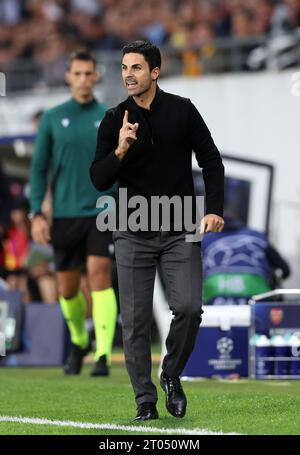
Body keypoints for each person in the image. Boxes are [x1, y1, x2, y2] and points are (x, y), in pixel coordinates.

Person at [90, 41, 224, 420]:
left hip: (181, 227)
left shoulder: (183, 110)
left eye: (135, 67)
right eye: (123, 67)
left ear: (155, 71)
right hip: (131, 230)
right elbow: (98, 179)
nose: (127, 74)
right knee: (134, 323)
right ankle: (144, 402)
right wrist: (120, 149)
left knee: (189, 308)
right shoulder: (114, 118)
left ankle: (170, 374)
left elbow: (212, 161)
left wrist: (214, 209)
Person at [30, 49, 117, 377]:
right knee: (67, 288)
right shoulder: (53, 118)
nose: (83, 80)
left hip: (101, 208)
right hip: (64, 213)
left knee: (98, 272)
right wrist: (36, 213)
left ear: (96, 77)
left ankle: (104, 353)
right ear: (68, 76)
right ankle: (80, 341)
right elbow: (39, 169)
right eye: (77, 74)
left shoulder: (109, 116)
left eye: (88, 74)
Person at [202, 212, 290, 305]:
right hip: (257, 295)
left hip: (215, 293)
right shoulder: (258, 236)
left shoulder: (206, 240)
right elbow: (286, 270)